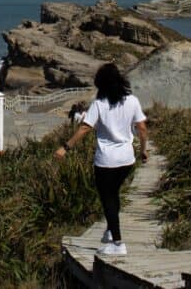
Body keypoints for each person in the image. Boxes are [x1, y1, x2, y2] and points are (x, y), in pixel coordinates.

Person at [54, 63, 147, 256]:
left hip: (106, 161)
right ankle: (111, 232)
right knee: (114, 194)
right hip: (127, 160)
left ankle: (118, 243)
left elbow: (85, 127)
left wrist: (65, 147)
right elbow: (142, 128)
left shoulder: (99, 104)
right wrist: (144, 150)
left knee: (108, 199)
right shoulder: (132, 101)